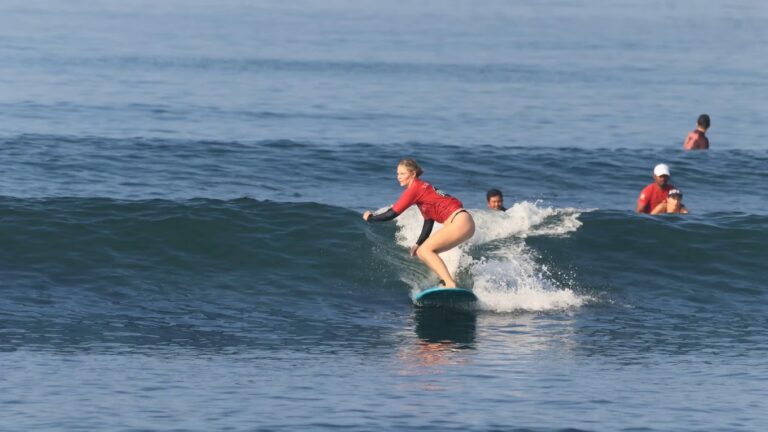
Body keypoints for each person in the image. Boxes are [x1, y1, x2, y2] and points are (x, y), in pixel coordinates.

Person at [362, 159, 475, 288]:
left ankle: (449, 283)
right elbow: (429, 220)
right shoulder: (423, 188)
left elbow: (392, 213)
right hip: (463, 222)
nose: (398, 177)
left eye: (402, 173)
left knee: (425, 251)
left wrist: (370, 218)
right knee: (424, 251)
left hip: (459, 221)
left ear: (413, 174)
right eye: (397, 174)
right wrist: (418, 243)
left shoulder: (414, 189)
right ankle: (447, 280)